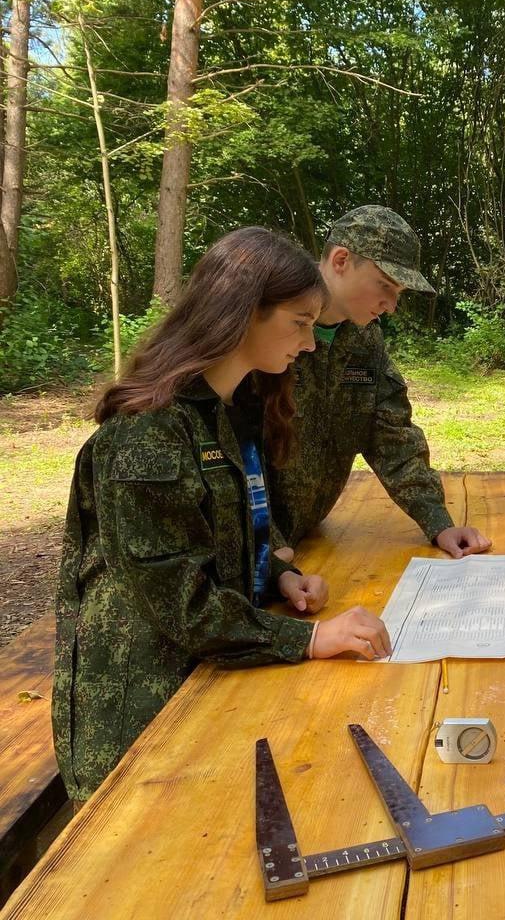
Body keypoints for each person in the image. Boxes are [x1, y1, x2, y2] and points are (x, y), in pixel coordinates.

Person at [54, 227, 391, 803]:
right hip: (139, 729)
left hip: (208, 689)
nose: (310, 345)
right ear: (241, 314)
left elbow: (220, 534)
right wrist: (311, 639)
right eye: (299, 323)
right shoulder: (148, 436)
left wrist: (274, 573)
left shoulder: (229, 410)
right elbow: (184, 605)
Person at [267, 205, 490, 558]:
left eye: (398, 292)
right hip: (251, 559)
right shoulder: (266, 323)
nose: (390, 305)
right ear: (340, 260)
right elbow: (227, 455)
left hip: (307, 548)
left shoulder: (364, 340)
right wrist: (269, 552)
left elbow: (390, 434)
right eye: (384, 285)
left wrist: (438, 521)